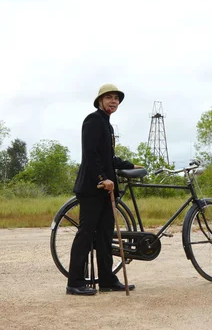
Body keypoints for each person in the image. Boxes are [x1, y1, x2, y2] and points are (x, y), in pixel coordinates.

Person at [66, 83, 139, 295]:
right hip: (92, 187)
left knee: (106, 235)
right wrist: (103, 178)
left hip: (106, 191)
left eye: (116, 98)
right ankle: (75, 283)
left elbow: (108, 157)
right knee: (86, 235)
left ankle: (107, 279)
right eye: (109, 97)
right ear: (100, 101)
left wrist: (130, 165)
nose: (113, 101)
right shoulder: (93, 120)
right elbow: (90, 154)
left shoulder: (107, 125)